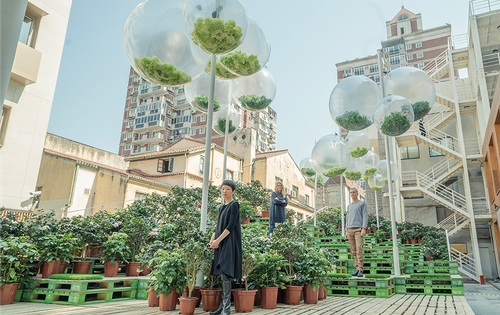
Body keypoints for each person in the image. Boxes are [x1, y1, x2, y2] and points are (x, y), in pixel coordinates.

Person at [210, 180, 242, 315]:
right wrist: (212, 240)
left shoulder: (234, 205)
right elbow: (217, 227)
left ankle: (227, 308)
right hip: (220, 242)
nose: (224, 191)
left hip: (228, 242)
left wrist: (218, 240)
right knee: (221, 273)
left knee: (226, 273)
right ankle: (222, 306)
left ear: (233, 191)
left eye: (228, 189)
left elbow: (230, 226)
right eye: (223, 189)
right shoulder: (221, 207)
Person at [345, 187, 367, 277]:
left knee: (359, 249)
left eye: (354, 192)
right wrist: (346, 231)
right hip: (350, 230)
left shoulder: (362, 204)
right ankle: (357, 269)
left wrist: (363, 228)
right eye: (351, 192)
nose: (352, 194)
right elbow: (347, 218)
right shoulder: (349, 206)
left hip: (358, 229)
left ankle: (360, 269)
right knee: (353, 251)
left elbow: (365, 216)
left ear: (357, 193)